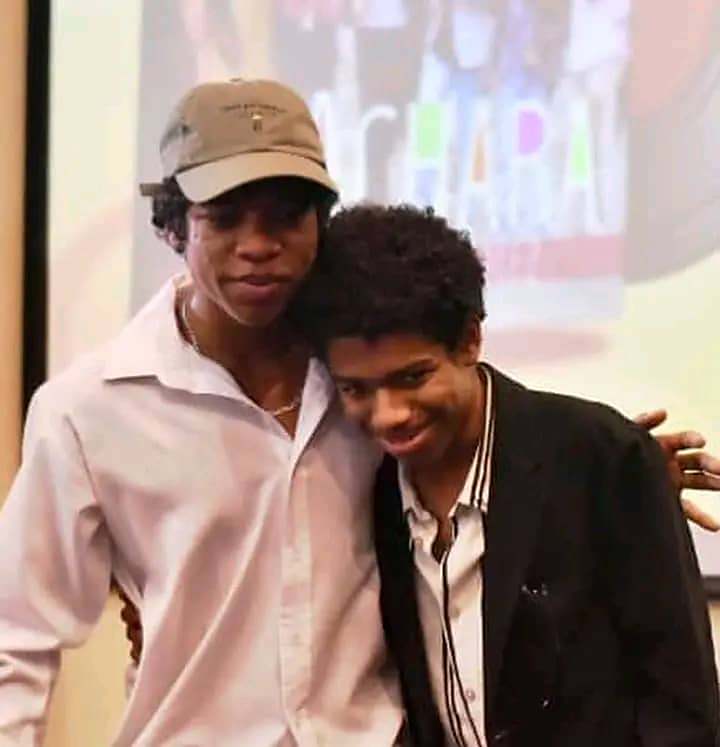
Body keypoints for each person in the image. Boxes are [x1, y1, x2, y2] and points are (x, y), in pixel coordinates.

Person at [0, 77, 718, 745]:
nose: (258, 246)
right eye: (223, 218)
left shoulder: (364, 371)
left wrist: (616, 477)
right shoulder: (88, 411)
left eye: (286, 217)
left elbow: (492, 438)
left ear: (322, 224)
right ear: (172, 228)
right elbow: (17, 639)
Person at [294, 203, 720, 746]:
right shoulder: (364, 482)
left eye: (413, 377)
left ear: (470, 340)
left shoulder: (602, 456)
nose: (389, 414)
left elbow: (681, 703)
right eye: (356, 389)